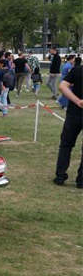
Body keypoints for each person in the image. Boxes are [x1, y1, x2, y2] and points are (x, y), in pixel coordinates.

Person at [53, 60, 82, 188]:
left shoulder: (77, 70)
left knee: (66, 145)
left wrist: (77, 101)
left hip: (74, 113)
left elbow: (62, 86)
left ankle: (60, 175)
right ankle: (81, 180)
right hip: (74, 112)